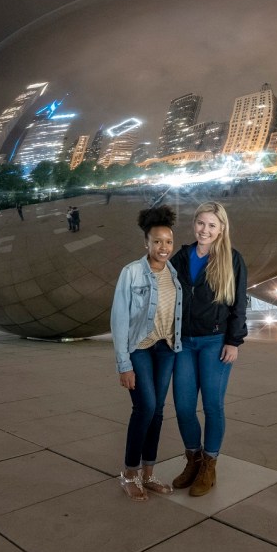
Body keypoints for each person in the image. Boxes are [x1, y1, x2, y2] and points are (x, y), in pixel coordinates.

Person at [169, 202, 247, 497]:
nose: (205, 230)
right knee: (184, 407)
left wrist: (233, 341)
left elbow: (239, 303)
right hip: (184, 343)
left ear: (222, 228)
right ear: (194, 225)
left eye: (212, 225)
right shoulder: (182, 256)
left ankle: (210, 466)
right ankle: (193, 459)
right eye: (201, 223)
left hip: (215, 343)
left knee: (213, 406)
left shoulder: (232, 259)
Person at [110, 205, 182, 501]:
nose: (163, 247)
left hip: (166, 349)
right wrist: (123, 364)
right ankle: (129, 474)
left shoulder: (174, 273)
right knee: (145, 408)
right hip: (139, 348)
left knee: (158, 412)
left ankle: (149, 474)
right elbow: (119, 320)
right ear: (146, 244)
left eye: (168, 241)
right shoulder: (131, 272)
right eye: (157, 241)